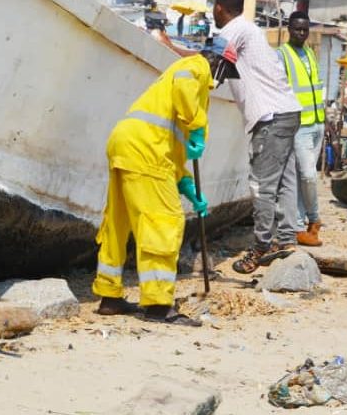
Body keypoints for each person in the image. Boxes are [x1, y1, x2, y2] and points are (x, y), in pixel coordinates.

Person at [92, 41, 239, 325]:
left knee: (118, 222)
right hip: (147, 150)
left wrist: (189, 188)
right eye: (227, 72)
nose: (222, 82)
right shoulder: (195, 67)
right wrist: (198, 124)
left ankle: (109, 296)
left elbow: (171, 153)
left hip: (127, 143)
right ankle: (158, 305)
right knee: (165, 221)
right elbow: (184, 89)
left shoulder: (176, 87)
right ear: (219, 62)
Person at [211, 0, 303, 274]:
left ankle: (261, 245)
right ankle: (286, 238)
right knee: (285, 181)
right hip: (289, 112)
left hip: (270, 118)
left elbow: (210, 65)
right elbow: (222, 71)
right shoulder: (251, 32)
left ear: (218, 8)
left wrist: (168, 46)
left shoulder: (234, 30)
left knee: (261, 184)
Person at [277, 11, 327, 247]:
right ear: (289, 29)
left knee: (301, 176)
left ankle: (299, 225)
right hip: (299, 125)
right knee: (308, 175)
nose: (302, 33)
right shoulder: (282, 55)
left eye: (305, 29)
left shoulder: (309, 52)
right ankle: (314, 219)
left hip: (317, 122)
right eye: (298, 29)